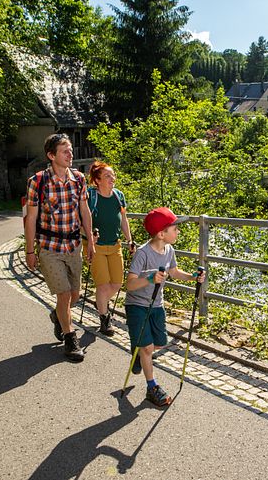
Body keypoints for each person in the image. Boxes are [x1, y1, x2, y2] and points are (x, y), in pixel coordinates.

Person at [125, 207, 206, 406]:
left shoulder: (169, 250)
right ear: (161, 234)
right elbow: (130, 284)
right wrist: (150, 278)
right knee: (148, 348)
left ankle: (138, 350)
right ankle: (152, 387)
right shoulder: (142, 254)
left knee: (159, 343)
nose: (178, 232)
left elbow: (174, 271)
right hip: (137, 305)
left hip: (156, 305)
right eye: (175, 229)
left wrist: (192, 277)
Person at [24, 133, 94, 362]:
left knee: (74, 295)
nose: (70, 154)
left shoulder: (79, 179)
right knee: (63, 295)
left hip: (73, 245)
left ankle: (58, 316)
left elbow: (84, 211)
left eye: (71, 150)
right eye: (65, 151)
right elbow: (31, 218)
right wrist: (30, 251)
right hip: (49, 246)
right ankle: (70, 338)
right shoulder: (38, 181)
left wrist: (90, 241)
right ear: (51, 155)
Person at [83, 161, 135, 336]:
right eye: (107, 176)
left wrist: (130, 239)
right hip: (95, 246)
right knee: (103, 286)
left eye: (113, 175)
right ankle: (105, 318)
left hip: (115, 245)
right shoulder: (91, 196)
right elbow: (81, 220)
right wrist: (90, 235)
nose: (112, 178)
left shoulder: (119, 196)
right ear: (97, 180)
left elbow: (123, 220)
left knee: (117, 283)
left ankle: (101, 302)